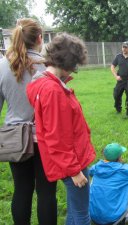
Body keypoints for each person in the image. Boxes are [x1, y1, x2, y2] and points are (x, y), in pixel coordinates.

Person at [26, 33, 96, 225]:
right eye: (75, 66)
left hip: (69, 160)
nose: (74, 70)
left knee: (75, 210)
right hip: (72, 163)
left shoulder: (42, 82)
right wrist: (74, 171)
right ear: (67, 62)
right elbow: (56, 137)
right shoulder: (53, 90)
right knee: (82, 215)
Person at [0, 18, 57, 225]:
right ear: (40, 38)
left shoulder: (2, 66)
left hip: (15, 139)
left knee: (21, 190)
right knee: (47, 192)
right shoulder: (49, 68)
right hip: (46, 139)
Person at [89, 143, 128, 225]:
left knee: (94, 179)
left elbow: (90, 172)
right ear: (119, 157)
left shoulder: (96, 167)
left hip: (93, 217)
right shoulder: (124, 169)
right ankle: (124, 217)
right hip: (112, 220)